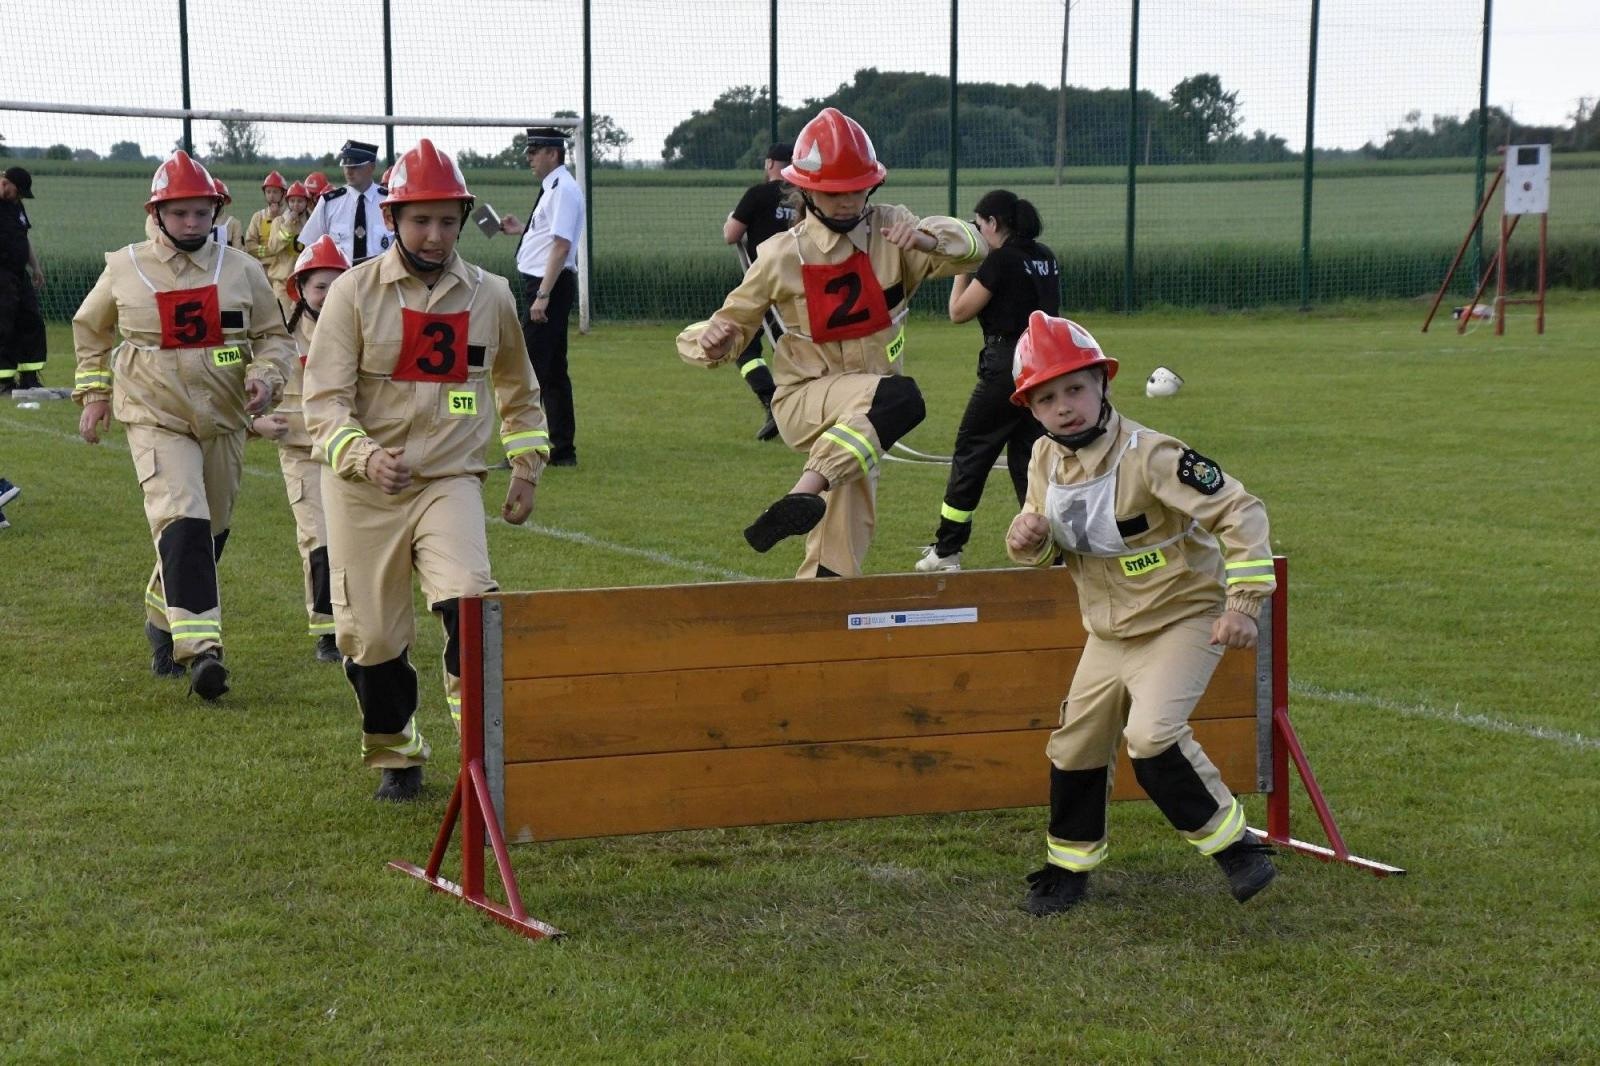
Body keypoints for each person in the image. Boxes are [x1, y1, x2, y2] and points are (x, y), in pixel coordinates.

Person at [1001, 312, 1279, 916]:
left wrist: (1243, 604)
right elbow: (1049, 540)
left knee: (1151, 738)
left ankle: (1237, 849)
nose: (1064, 407)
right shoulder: (1042, 459)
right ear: (1031, 409)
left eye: (1075, 388)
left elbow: (1241, 510)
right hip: (1108, 632)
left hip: (1183, 618)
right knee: (1074, 746)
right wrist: (1026, 538)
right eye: (1046, 398)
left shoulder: (1153, 455)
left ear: (1103, 383)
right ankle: (1068, 868)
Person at [303, 139, 550, 801]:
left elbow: (518, 390)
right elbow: (323, 402)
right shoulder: (352, 294)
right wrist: (363, 456)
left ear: (463, 219)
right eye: (420, 220)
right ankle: (397, 754)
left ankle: (483, 754)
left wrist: (526, 467)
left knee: (471, 601)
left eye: (447, 220)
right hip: (361, 492)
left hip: (449, 480)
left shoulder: (491, 296)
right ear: (392, 218)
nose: (435, 235)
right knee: (372, 637)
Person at [680, 108, 985, 578]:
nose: (847, 203)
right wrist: (714, 341)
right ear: (805, 191)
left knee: (844, 530)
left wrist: (926, 241)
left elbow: (977, 248)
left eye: (857, 191)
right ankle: (803, 490)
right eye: (833, 193)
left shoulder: (896, 229)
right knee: (902, 399)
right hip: (806, 399)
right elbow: (724, 325)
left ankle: (821, 592)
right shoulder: (780, 254)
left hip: (865, 417)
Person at [72, 151, 293, 700]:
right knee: (184, 516)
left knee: (209, 532)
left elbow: (273, 336)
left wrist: (265, 376)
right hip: (155, 416)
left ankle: (161, 618)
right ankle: (202, 651)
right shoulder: (125, 267)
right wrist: (95, 394)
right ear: (157, 213)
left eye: (201, 212)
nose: (192, 223)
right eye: (179, 213)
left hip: (224, 419)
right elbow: (91, 329)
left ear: (215, 210)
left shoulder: (242, 269)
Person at [915, 190, 1060, 573]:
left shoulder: (1000, 260)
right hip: (1044, 366)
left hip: (1006, 367)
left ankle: (947, 550)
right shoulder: (1045, 256)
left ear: (993, 224)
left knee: (972, 451)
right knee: (1030, 460)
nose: (977, 232)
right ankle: (1055, 549)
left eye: (978, 226)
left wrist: (964, 266)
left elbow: (958, 312)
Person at [254, 235, 350, 663]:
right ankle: (328, 631)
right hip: (301, 454)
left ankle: (360, 622)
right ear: (301, 290)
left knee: (356, 541)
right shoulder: (282, 337)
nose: (328, 295)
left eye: (337, 284)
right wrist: (255, 422)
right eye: (320, 286)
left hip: (350, 452)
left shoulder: (362, 329)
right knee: (320, 538)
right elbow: (246, 378)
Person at [500, 126, 584, 467]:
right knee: (551, 370)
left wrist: (543, 295)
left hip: (548, 285)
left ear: (553, 152)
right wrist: (521, 229)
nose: (529, 158)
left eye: (534, 152)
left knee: (528, 368)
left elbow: (561, 246)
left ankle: (525, 449)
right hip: (544, 284)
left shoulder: (563, 189)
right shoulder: (553, 188)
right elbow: (550, 235)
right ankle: (562, 449)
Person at [721, 142, 795, 442]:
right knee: (792, 349)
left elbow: (732, 235)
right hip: (798, 286)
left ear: (769, 164)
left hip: (762, 285)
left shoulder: (757, 194)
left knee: (743, 346)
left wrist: (732, 220)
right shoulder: (805, 198)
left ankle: (771, 400)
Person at [299, 140, 391, 266]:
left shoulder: (389, 202)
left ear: (371, 167)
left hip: (380, 275)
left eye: (355, 166)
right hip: (340, 275)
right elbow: (310, 248)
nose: (348, 171)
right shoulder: (329, 203)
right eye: (346, 166)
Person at [0, 166, 48, 393]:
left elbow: (23, 238)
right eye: (17, 192)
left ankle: (29, 378)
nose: (18, 198)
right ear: (5, 183)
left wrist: (35, 267)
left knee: (32, 320)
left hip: (19, 273)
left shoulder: (16, 205)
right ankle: (4, 381)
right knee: (3, 324)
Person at [262, 180, 312, 314]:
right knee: (284, 321)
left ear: (306, 202)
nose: (295, 205)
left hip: (304, 283)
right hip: (282, 283)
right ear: (288, 202)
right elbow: (273, 248)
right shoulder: (279, 222)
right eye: (292, 201)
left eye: (300, 201)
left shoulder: (311, 223)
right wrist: (289, 225)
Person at [244, 170, 287, 261]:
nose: (271, 196)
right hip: (263, 267)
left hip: (284, 268)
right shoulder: (258, 217)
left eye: (275, 192)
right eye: (268, 192)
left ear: (283, 194)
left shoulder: (290, 217)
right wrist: (271, 251)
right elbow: (250, 246)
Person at [210, 179, 245, 250]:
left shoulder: (234, 224)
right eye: (211, 198)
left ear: (225, 200)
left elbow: (238, 252)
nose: (214, 202)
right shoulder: (198, 222)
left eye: (217, 198)